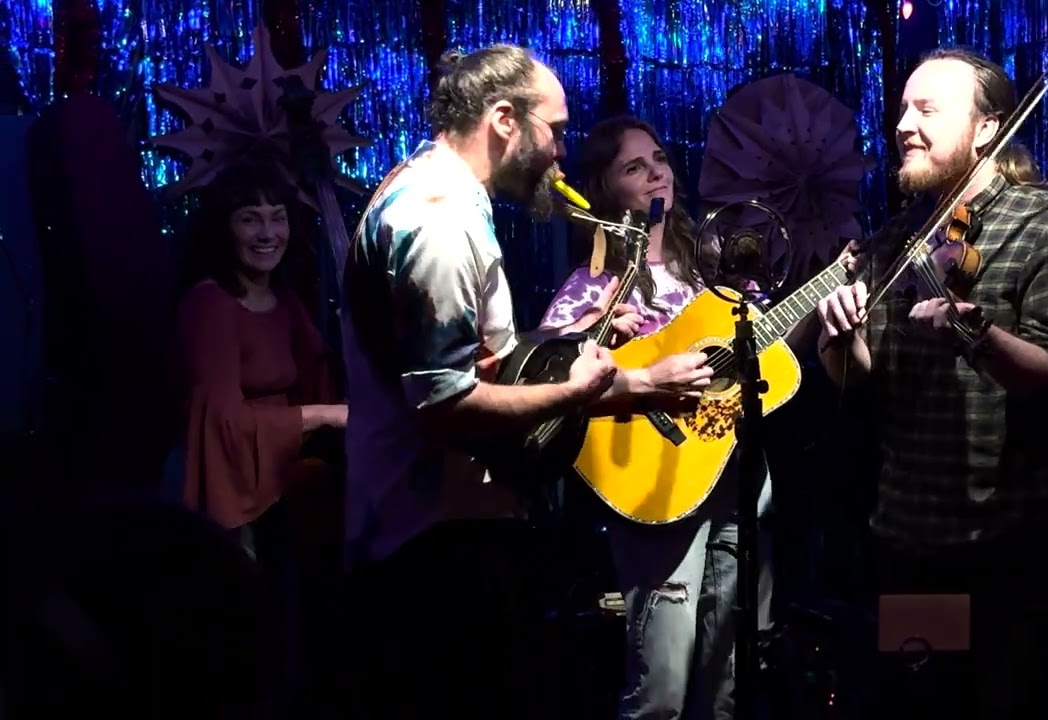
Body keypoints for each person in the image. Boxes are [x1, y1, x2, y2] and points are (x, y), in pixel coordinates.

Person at [339, 46, 713, 719]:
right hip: (434, 545)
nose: (561, 155)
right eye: (557, 131)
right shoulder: (439, 224)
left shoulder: (440, 191)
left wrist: (571, 340)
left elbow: (482, 363)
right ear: (504, 120)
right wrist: (595, 389)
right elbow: (445, 407)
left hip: (444, 531)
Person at [813, 48, 1048, 718]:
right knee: (921, 707)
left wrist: (974, 333)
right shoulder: (896, 241)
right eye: (902, 109)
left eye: (928, 109)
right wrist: (840, 339)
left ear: (986, 129)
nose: (904, 125)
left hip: (1007, 558)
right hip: (911, 542)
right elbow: (861, 378)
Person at [540, 114, 801, 720]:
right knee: (661, 691)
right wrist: (620, 354)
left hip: (732, 476)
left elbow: (767, 349)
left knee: (727, 683)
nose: (656, 172)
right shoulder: (595, 285)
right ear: (606, 190)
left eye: (659, 158)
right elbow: (549, 388)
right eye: (634, 166)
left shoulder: (715, 268)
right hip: (657, 483)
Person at [171, 160, 348, 714]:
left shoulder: (285, 298)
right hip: (232, 483)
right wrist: (322, 415)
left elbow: (320, 372)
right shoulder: (209, 304)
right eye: (251, 219)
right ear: (225, 227)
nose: (267, 234)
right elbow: (220, 424)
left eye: (277, 218)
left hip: (286, 482)